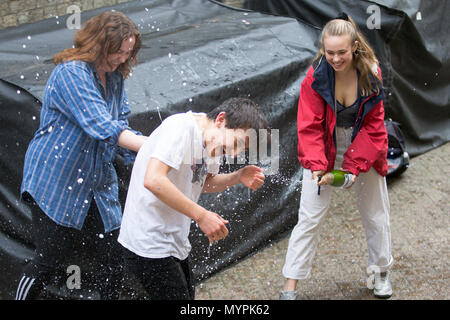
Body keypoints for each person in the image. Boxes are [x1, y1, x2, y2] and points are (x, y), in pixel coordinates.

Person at [16, 11, 146, 300]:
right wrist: (152, 146)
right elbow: (100, 125)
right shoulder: (71, 73)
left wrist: (145, 159)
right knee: (50, 259)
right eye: (118, 52)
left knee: (114, 256)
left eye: (128, 52)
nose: (122, 59)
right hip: (56, 180)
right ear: (99, 43)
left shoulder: (115, 77)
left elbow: (120, 124)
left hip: (96, 181)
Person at [280, 13, 393, 299]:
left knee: (375, 215)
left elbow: (374, 128)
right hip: (324, 147)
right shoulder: (315, 77)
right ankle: (289, 289)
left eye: (341, 52)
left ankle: (380, 273)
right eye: (329, 52)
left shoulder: (370, 73)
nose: (335, 58)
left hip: (363, 144)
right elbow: (309, 126)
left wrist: (353, 168)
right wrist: (318, 167)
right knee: (309, 218)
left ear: (354, 46)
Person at [118, 97, 268, 300]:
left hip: (173, 241)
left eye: (241, 150)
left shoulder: (213, 141)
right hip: (148, 243)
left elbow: (202, 182)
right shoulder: (181, 129)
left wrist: (237, 176)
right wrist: (201, 215)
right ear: (221, 120)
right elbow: (153, 179)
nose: (233, 154)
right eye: (236, 144)